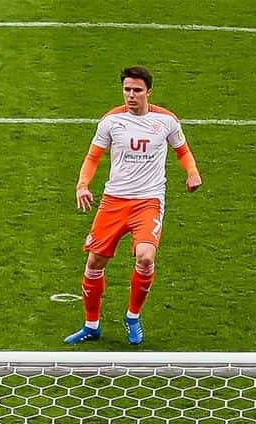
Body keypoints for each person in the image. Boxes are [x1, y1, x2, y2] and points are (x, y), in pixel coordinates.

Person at [64, 65, 202, 347]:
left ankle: (132, 317)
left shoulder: (166, 121)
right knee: (94, 262)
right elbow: (93, 157)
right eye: (127, 89)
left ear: (148, 92)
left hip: (148, 202)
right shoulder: (111, 121)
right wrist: (82, 185)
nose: (131, 95)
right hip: (114, 201)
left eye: (137, 90)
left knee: (146, 257)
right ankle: (91, 325)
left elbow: (182, 151)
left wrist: (192, 172)